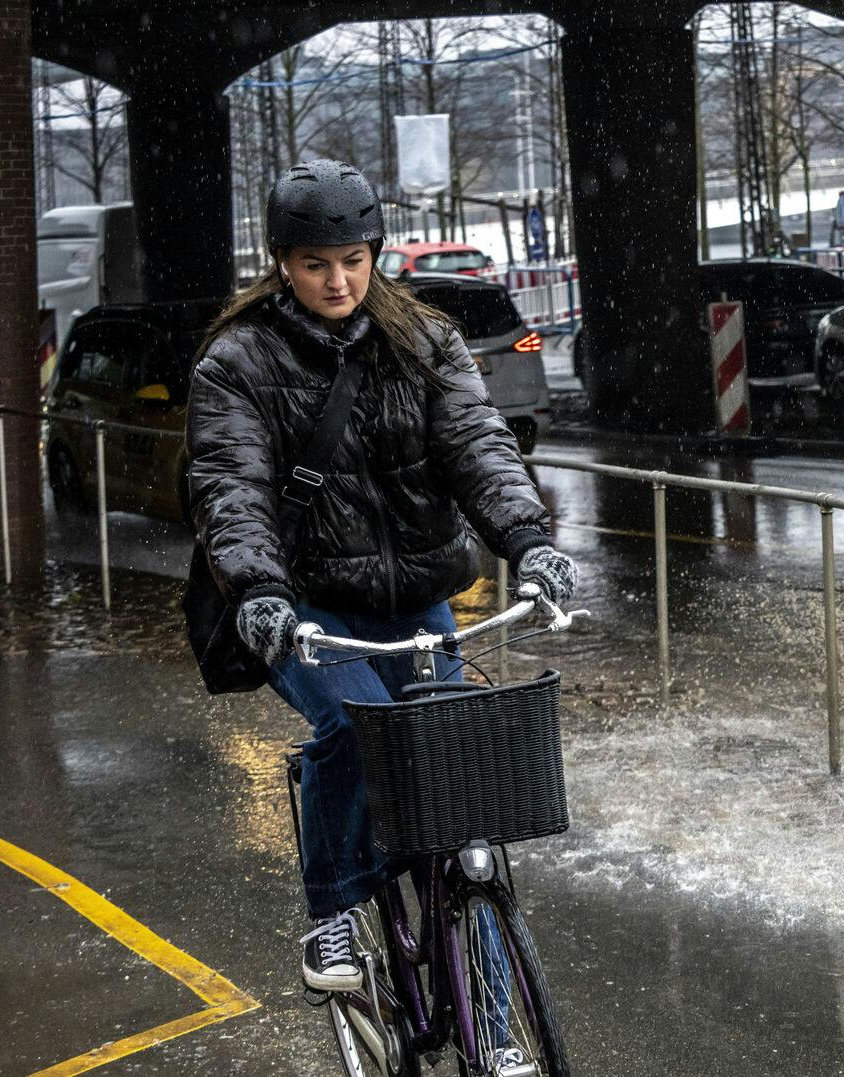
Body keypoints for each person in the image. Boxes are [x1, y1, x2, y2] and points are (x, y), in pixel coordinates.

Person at [186, 160, 577, 993]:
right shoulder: (237, 361)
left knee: (449, 766)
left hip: (418, 598)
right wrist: (258, 592)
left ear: (376, 252)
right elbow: (231, 486)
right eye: (316, 263)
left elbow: (478, 445)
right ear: (282, 262)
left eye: (354, 258)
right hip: (307, 612)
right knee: (355, 734)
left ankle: (486, 1002)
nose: (339, 279)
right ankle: (330, 912)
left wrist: (527, 539)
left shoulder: (425, 339)